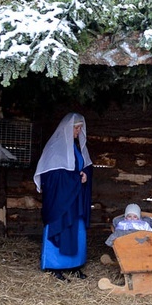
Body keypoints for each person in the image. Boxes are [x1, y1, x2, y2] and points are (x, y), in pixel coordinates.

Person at [34, 112, 93, 281]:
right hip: (59, 201)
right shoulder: (54, 148)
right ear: (68, 128)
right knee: (60, 227)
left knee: (76, 230)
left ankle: (74, 265)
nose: (78, 131)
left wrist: (85, 175)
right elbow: (51, 176)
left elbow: (85, 167)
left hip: (75, 199)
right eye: (76, 127)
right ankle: (55, 266)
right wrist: (75, 178)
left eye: (80, 127)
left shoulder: (77, 147)